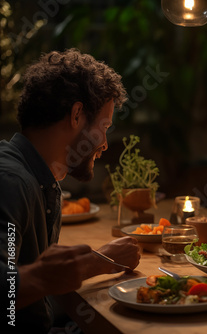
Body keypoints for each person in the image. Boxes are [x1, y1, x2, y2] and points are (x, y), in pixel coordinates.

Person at [0, 49, 141, 333]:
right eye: (104, 126)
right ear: (77, 115)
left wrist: (99, 260)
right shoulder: (11, 182)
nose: (104, 143)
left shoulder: (39, 178)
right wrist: (59, 274)